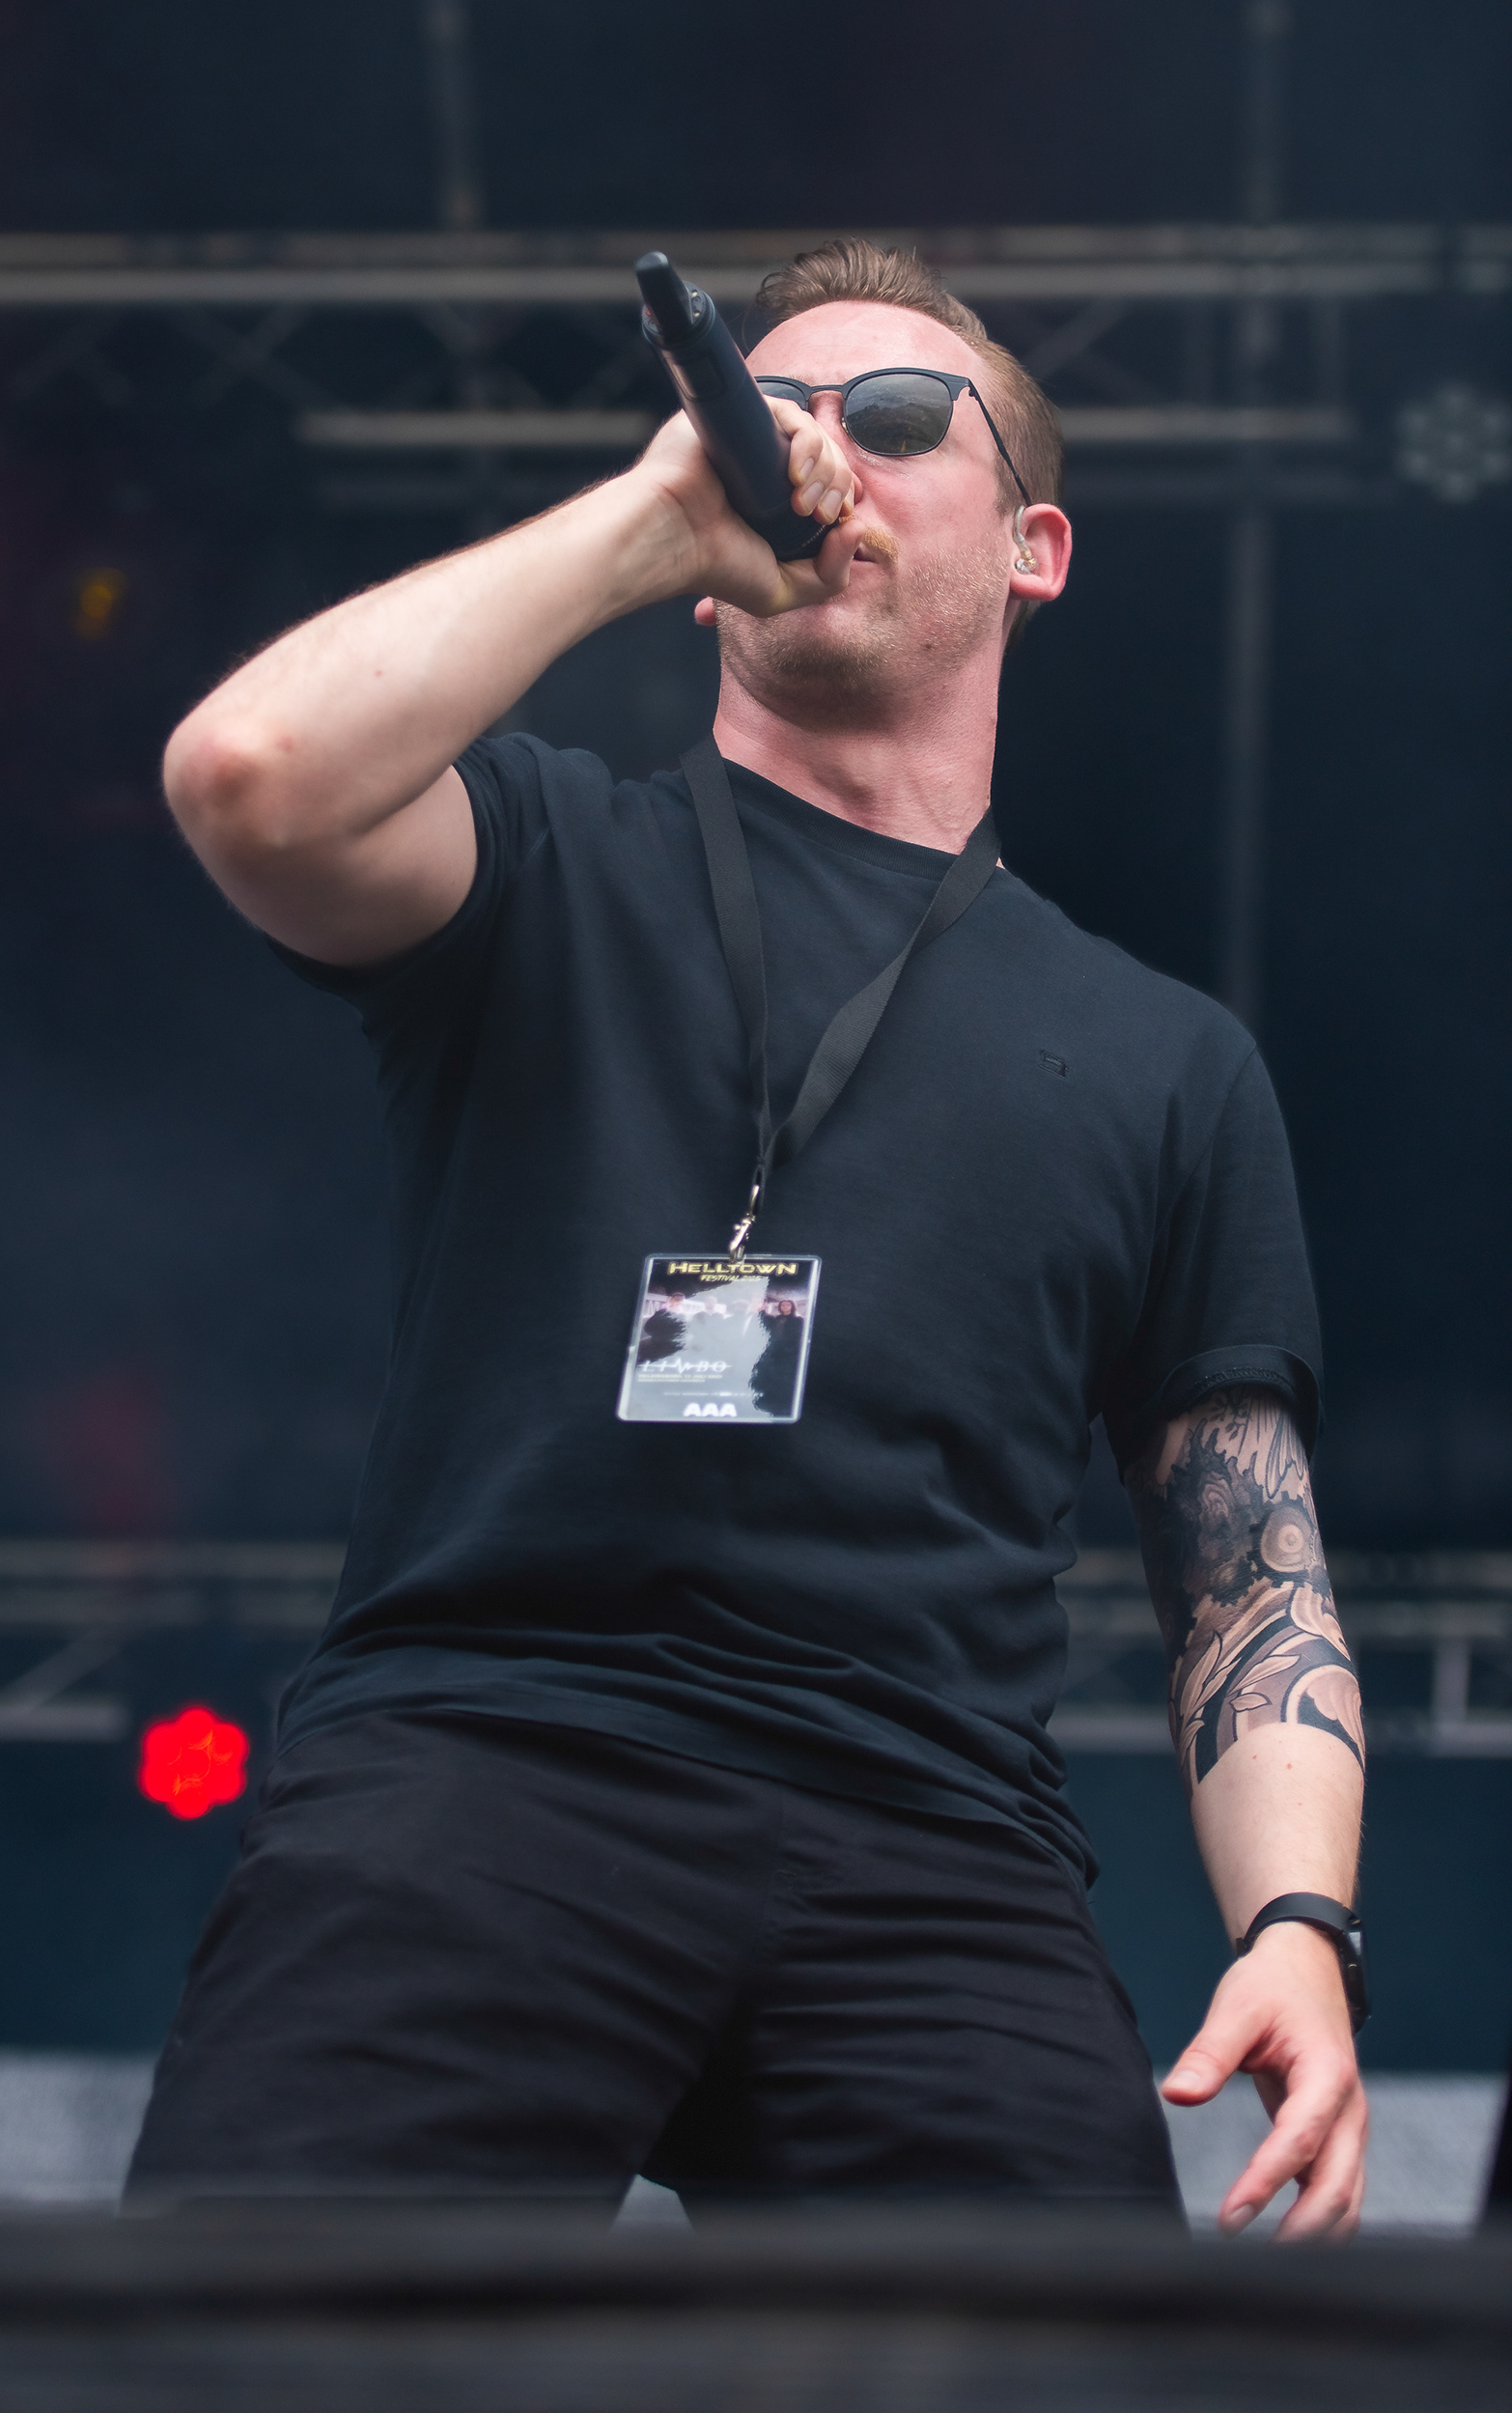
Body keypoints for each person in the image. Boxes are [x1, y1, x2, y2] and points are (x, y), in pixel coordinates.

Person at [129, 238, 1367, 2234]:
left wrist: (1301, 1922)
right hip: (485, 1753)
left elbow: (1249, 1568)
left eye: (896, 419)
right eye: (768, 418)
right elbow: (250, 778)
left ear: (1035, 548)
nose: (819, 455)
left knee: (1080, 2367)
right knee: (259, 2348)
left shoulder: (1168, 1061)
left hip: (934, 1836)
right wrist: (649, 519)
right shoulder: (543, 855)